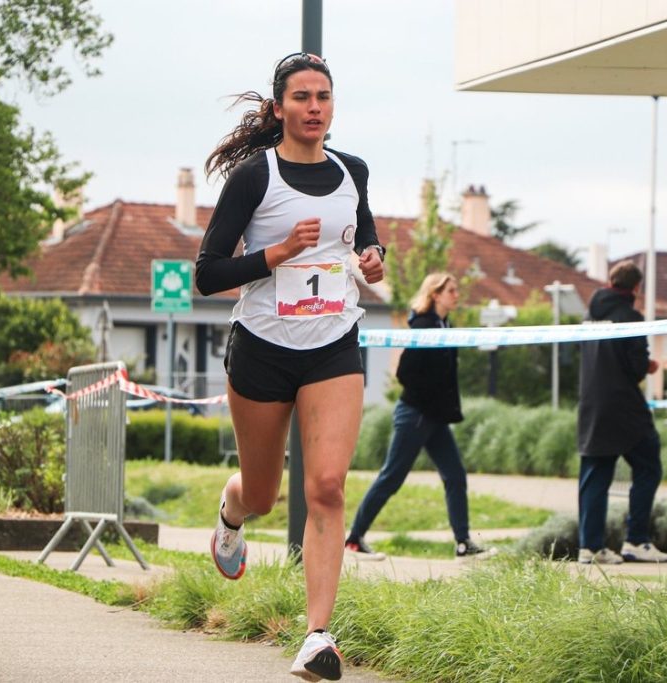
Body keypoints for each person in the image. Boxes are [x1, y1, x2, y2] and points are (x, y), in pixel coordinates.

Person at [195, 52, 385, 682]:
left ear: (333, 106)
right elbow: (207, 273)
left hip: (333, 342)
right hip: (262, 346)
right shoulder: (255, 177)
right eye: (301, 97)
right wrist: (275, 253)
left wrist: (372, 258)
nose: (313, 107)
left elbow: (363, 239)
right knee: (264, 494)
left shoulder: (352, 170)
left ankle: (317, 638)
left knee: (327, 486)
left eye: (322, 97)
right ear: (279, 108)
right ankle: (231, 513)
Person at [344, 272, 495, 561]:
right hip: (415, 415)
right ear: (435, 294)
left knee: (455, 475)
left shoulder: (444, 324)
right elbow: (405, 373)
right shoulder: (424, 326)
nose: (456, 295)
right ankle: (353, 539)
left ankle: (463, 543)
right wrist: (430, 398)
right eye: (451, 290)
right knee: (392, 477)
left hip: (434, 418)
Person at [576, 260, 667, 565]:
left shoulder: (589, 316)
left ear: (610, 281)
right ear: (636, 288)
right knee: (649, 467)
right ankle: (636, 540)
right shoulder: (630, 317)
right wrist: (648, 366)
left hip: (592, 406)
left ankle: (589, 548)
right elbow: (634, 367)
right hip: (625, 409)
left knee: (595, 476)